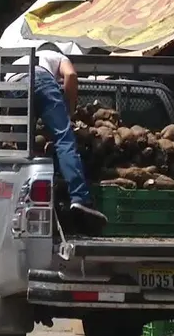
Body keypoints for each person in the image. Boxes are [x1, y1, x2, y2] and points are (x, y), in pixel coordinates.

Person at [6, 44, 107, 225]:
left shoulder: (19, 60)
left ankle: (24, 199)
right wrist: (69, 109)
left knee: (24, 146)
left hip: (13, 83)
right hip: (41, 79)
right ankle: (80, 198)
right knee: (64, 139)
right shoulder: (56, 56)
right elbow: (71, 75)